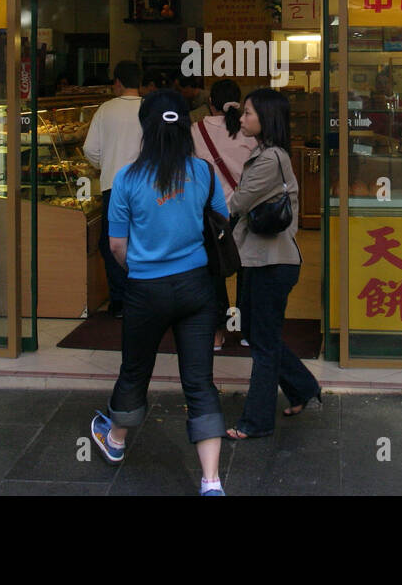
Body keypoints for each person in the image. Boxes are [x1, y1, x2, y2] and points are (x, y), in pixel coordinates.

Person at [89, 90, 229, 496]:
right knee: (200, 382)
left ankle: (114, 441)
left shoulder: (127, 179)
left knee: (135, 370)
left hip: (145, 290)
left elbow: (117, 246)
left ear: (145, 128)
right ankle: (211, 482)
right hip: (196, 288)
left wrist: (141, 267)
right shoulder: (202, 171)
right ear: (185, 126)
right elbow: (221, 220)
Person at [224, 88, 321, 440]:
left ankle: (257, 421)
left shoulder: (269, 160)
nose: (243, 118)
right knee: (254, 332)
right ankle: (302, 387)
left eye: (249, 113)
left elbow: (237, 203)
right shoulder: (266, 153)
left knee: (262, 343)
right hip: (259, 260)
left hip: (272, 263)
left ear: (266, 119)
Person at [191, 79, 257, 351]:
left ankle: (217, 333)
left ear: (210, 103)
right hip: (244, 209)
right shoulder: (249, 133)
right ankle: (246, 331)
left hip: (211, 213)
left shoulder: (197, 130)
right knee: (247, 271)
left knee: (214, 273)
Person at [83, 60, 144, 318]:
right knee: (143, 242)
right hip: (145, 189)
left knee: (112, 243)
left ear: (117, 82)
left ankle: (119, 300)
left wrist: (105, 164)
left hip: (112, 187)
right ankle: (143, 295)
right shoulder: (149, 108)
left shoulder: (105, 110)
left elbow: (89, 150)